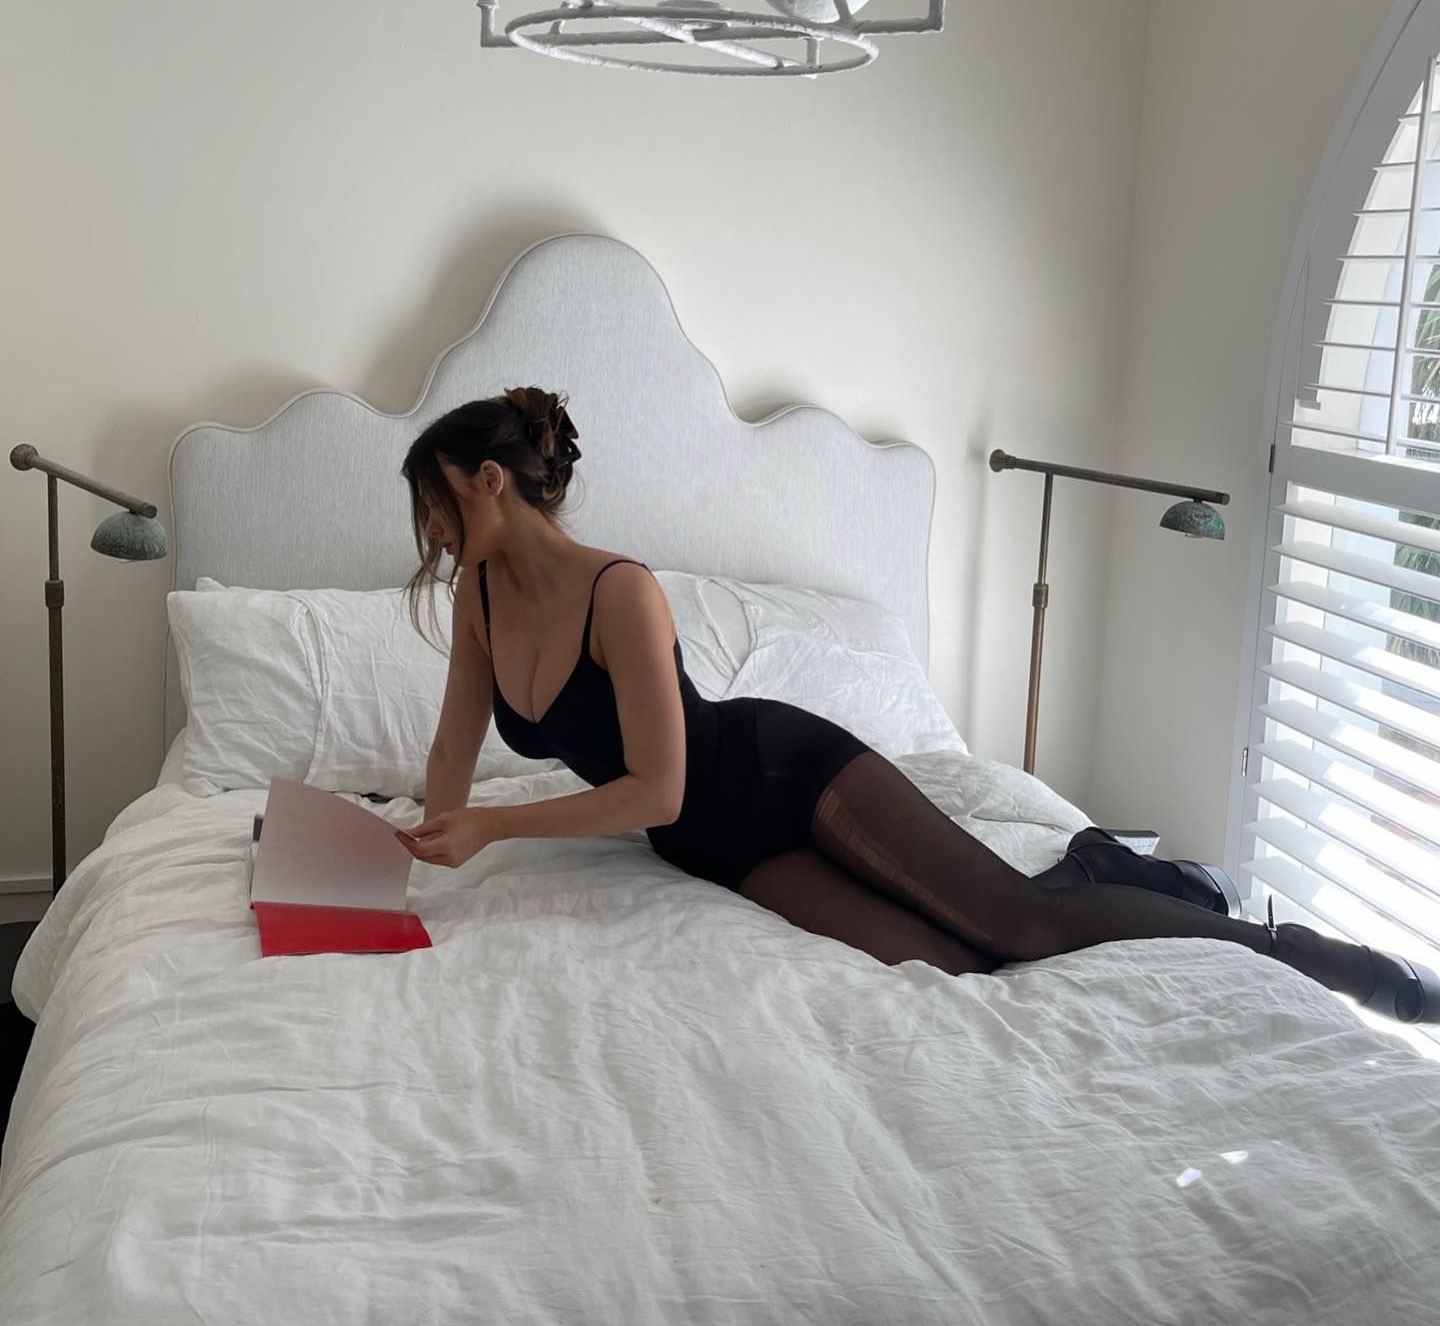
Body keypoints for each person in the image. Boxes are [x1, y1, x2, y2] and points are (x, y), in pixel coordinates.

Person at [395, 387, 1440, 1027]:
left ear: (488, 479)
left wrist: (494, 824)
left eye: (433, 500)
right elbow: (451, 750)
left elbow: (656, 789)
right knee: (956, 961)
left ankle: (1296, 949)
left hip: (781, 772)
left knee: (1023, 925)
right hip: (715, 846)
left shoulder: (621, 592)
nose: (429, 527)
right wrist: (410, 857)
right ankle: (1092, 863)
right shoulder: (479, 598)